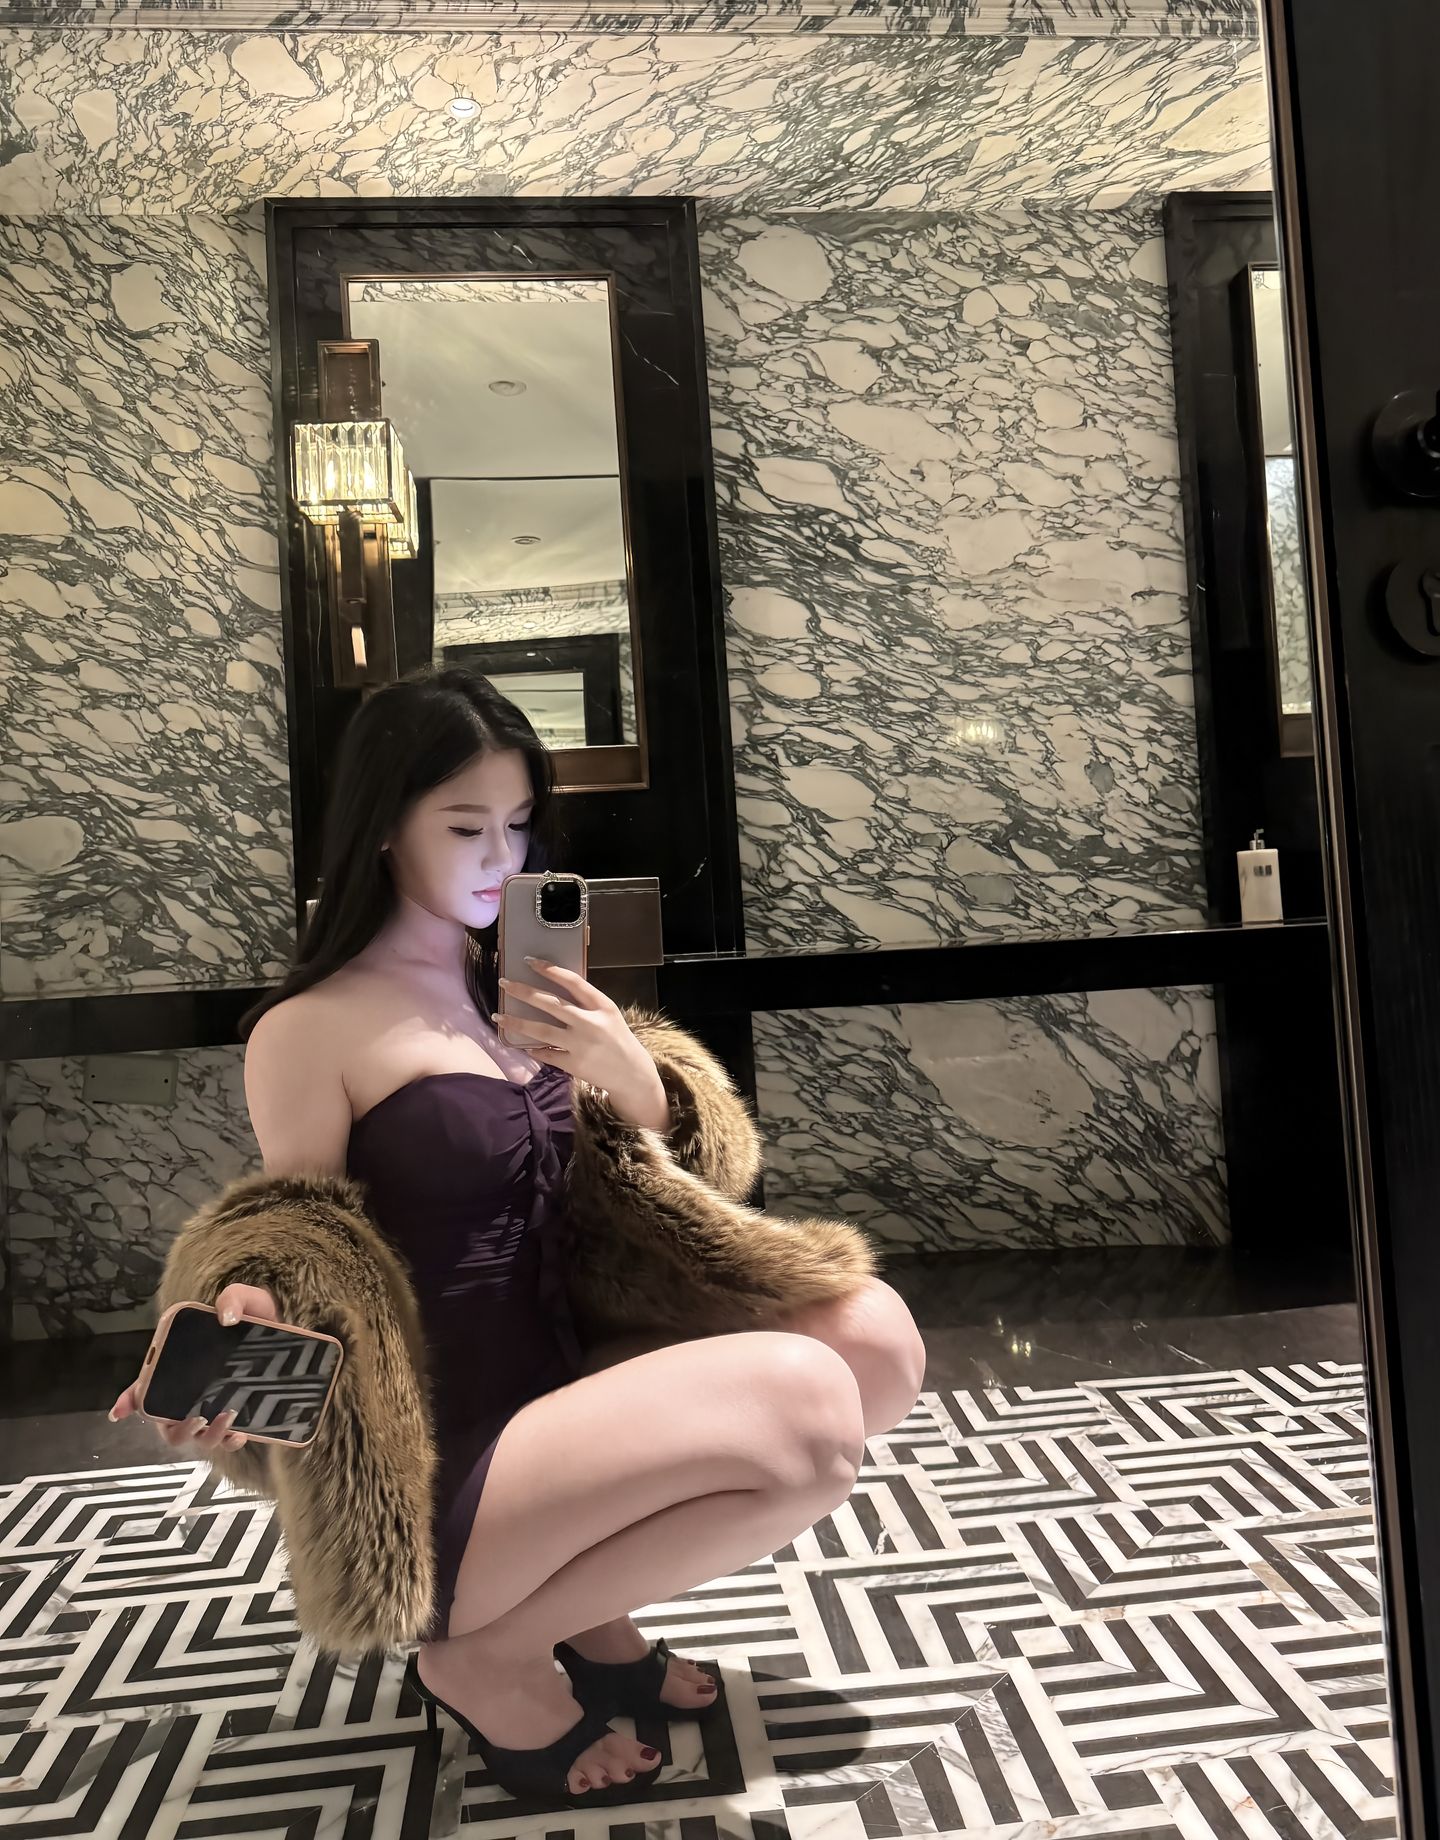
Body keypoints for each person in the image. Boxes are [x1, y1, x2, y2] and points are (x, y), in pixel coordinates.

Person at [110, 666, 926, 1804]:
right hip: (453, 1454)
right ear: (384, 828)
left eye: (520, 822)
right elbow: (298, 1224)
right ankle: (487, 1650)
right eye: (465, 827)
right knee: (807, 1413)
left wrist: (635, 1082)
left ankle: (585, 1613)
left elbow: (670, 1197)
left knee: (869, 1336)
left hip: (563, 1382)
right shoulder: (311, 1027)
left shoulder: (516, 989)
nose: (503, 857)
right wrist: (245, 1308)